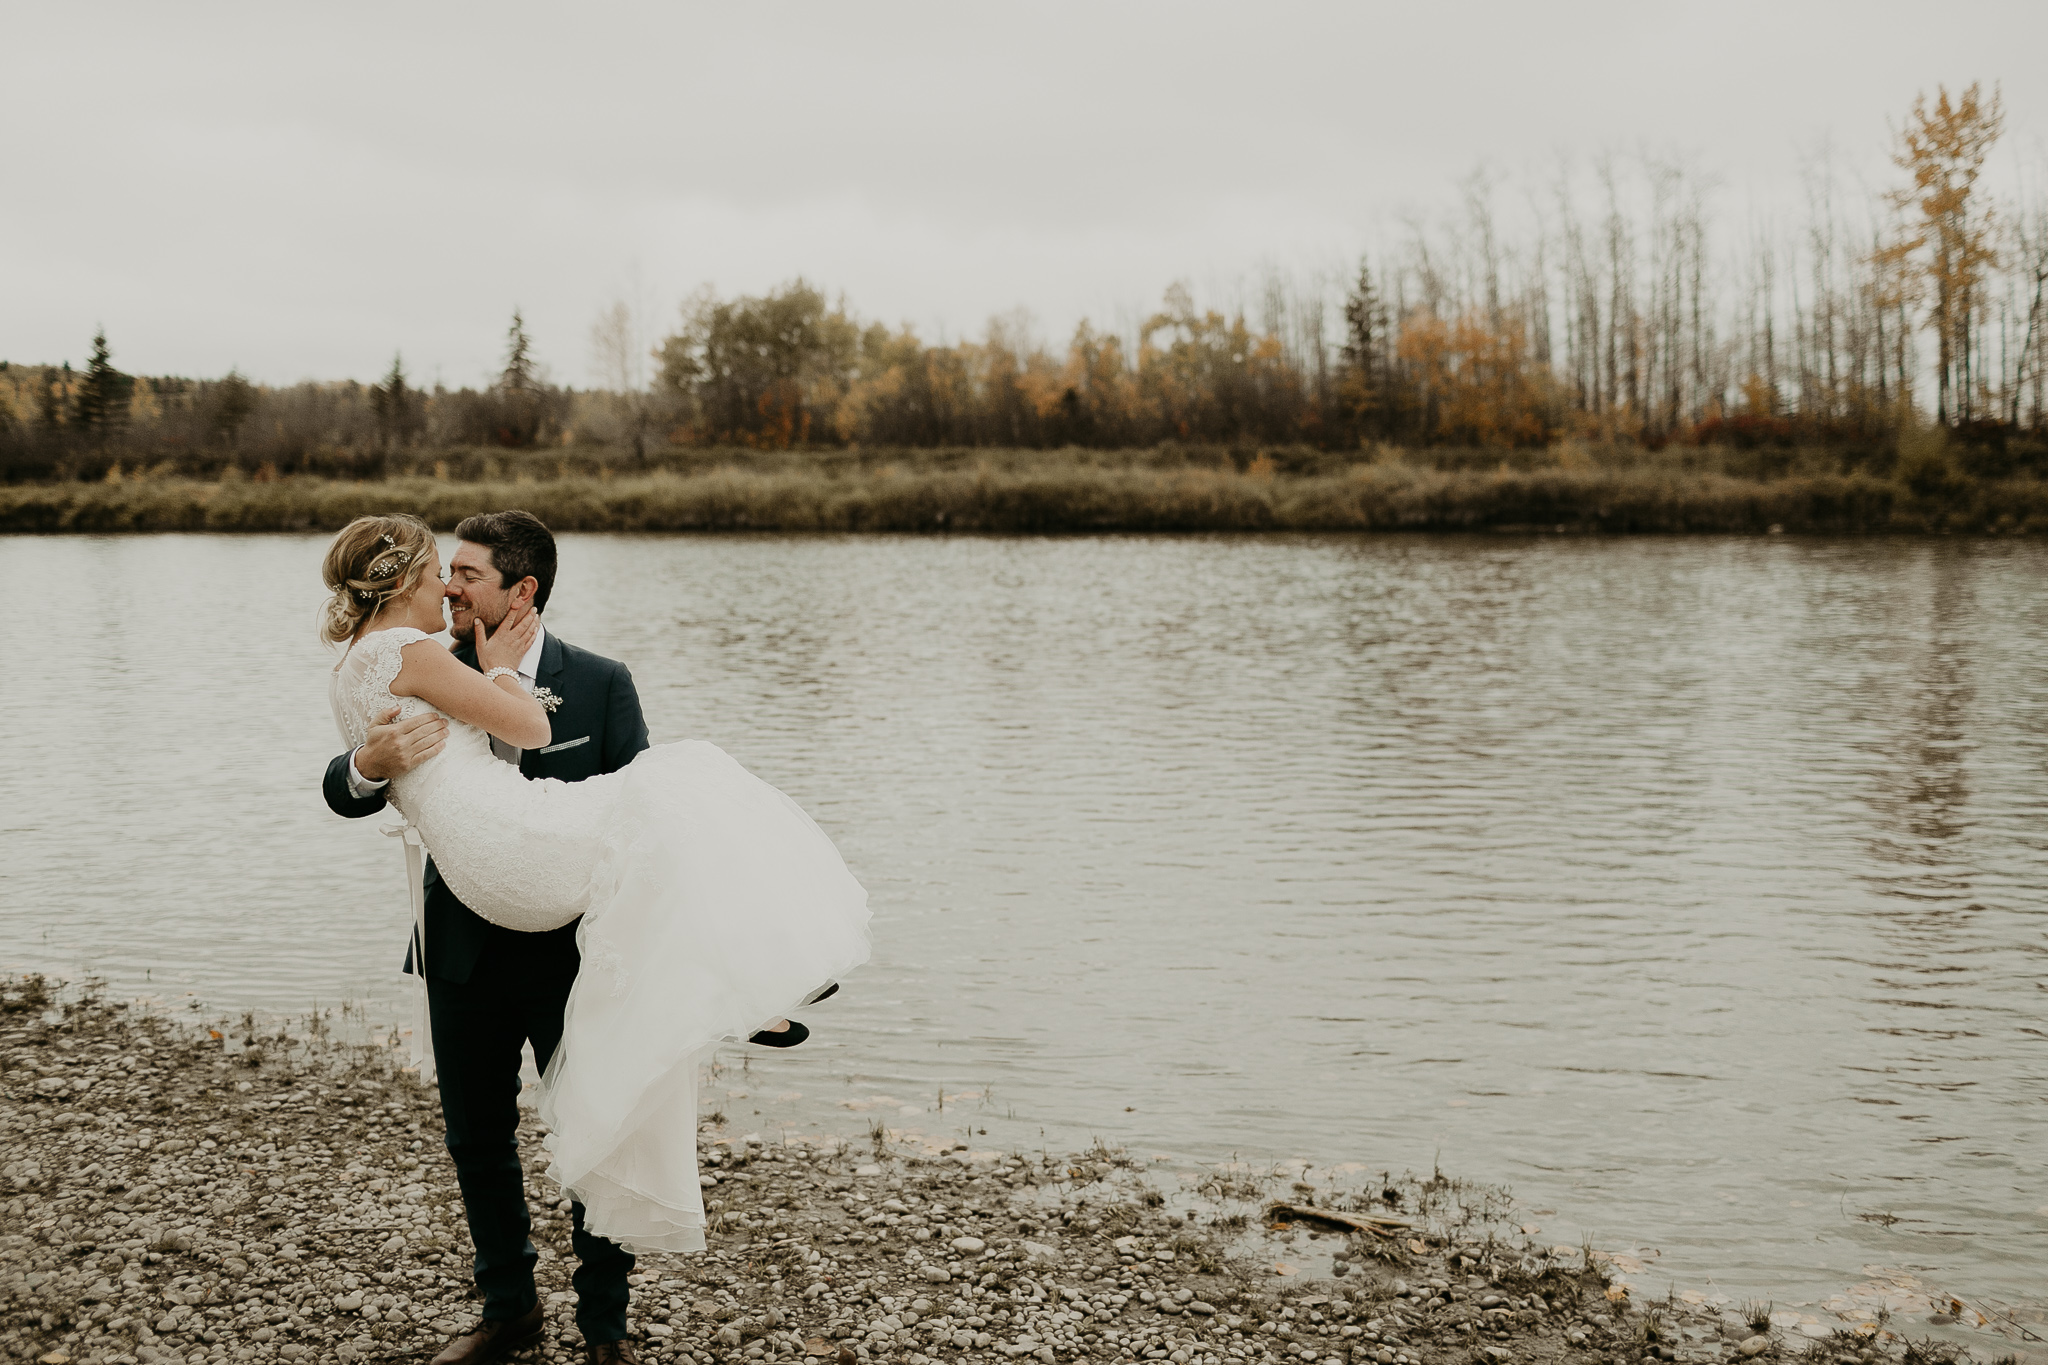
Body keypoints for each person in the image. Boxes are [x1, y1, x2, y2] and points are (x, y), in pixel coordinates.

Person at [321, 511, 870, 1365]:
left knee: (599, 1115)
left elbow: (638, 807)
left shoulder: (602, 682)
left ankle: (604, 1326)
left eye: (470, 575)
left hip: (571, 947)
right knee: (477, 1137)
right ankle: (509, 1309)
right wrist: (368, 762)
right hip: (466, 938)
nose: (455, 586)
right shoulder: (430, 657)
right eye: (446, 572)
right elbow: (342, 780)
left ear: (521, 590)